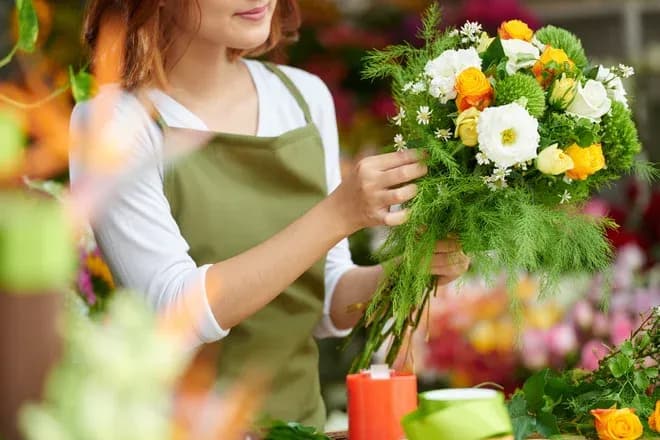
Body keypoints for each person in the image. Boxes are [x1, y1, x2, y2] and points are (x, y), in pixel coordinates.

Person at [70, 0, 470, 428]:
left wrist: (407, 271)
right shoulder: (114, 124)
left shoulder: (302, 97)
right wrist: (338, 214)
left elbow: (328, 297)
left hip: (302, 428)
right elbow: (174, 312)